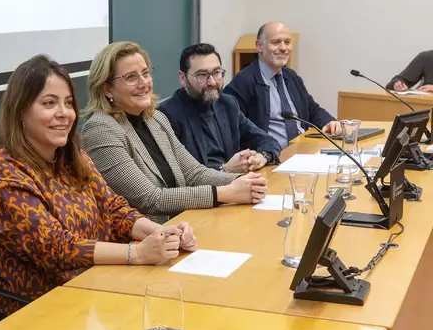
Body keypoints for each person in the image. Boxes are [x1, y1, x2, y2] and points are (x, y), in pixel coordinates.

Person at [0, 54, 198, 317]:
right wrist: (137, 253)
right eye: (49, 103)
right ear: (20, 111)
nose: (64, 114)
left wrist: (163, 233)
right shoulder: (4, 175)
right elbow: (59, 248)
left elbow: (114, 210)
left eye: (68, 103)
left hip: (98, 289)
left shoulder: (71, 157)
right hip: (43, 311)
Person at [80, 41, 268, 224]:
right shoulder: (100, 129)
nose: (144, 83)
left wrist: (246, 181)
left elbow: (194, 174)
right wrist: (225, 193)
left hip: (184, 225)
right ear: (107, 89)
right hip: (144, 243)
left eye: (145, 74)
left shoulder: (155, 119)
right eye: (131, 77)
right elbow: (150, 199)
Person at [159, 43, 281, 173]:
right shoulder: (167, 115)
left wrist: (261, 157)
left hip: (237, 184)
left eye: (217, 73)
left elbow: (267, 140)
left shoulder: (227, 103)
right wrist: (225, 170)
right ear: (183, 78)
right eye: (202, 75)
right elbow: (180, 175)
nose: (212, 82)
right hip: (206, 191)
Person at [224, 22, 342, 150]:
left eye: (287, 42)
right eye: (276, 42)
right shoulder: (243, 82)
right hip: (272, 158)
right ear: (259, 46)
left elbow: (312, 109)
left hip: (304, 151)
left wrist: (328, 122)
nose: (283, 48)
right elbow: (234, 128)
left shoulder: (291, 76)